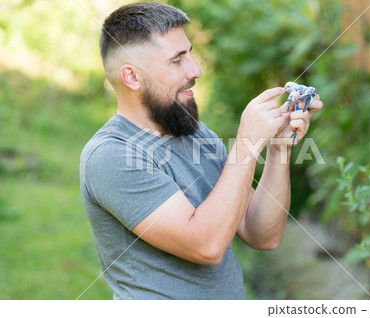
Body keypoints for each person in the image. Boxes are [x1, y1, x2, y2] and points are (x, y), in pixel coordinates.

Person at [80, 1, 322, 300]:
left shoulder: (193, 132)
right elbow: (205, 245)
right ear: (132, 77)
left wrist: (278, 148)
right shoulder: (110, 156)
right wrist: (246, 144)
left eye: (190, 54)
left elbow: (262, 234)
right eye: (177, 60)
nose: (196, 69)